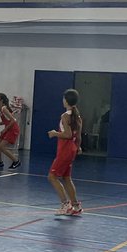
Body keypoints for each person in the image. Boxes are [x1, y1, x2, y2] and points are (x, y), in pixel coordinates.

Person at [47, 89, 83, 218]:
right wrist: (78, 147)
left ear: (66, 100)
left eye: (63, 98)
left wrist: (54, 133)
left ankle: (65, 204)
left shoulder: (65, 115)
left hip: (65, 149)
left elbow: (67, 135)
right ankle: (76, 206)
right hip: (72, 149)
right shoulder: (77, 116)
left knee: (52, 176)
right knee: (67, 178)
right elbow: (78, 136)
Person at [0, 93, 21, 170]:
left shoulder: (4, 108)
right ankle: (0, 162)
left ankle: (16, 161)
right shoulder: (1, 109)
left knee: (1, 146)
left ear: (1, 100)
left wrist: (5, 129)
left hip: (13, 129)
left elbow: (13, 120)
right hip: (9, 128)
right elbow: (5, 121)